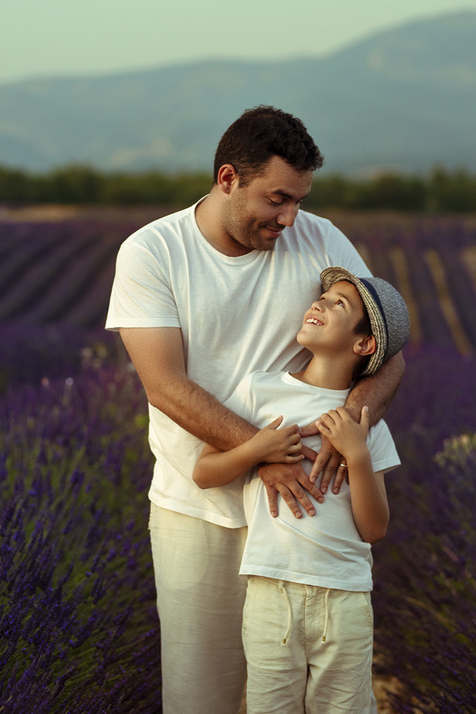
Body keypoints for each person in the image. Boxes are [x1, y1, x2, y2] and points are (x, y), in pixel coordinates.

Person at [105, 106, 406, 714]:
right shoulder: (152, 253)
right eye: (276, 199)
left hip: (307, 519)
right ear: (227, 180)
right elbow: (164, 386)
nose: (289, 218)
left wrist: (344, 433)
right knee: (200, 697)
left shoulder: (320, 237)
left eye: (299, 200)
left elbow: (385, 352)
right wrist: (261, 457)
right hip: (201, 511)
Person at [193, 267, 410, 714]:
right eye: (323, 297)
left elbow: (375, 529)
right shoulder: (261, 389)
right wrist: (256, 449)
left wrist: (358, 455)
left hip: (344, 596)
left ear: (363, 345)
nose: (320, 304)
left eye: (338, 305)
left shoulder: (367, 424)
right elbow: (204, 471)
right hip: (272, 591)